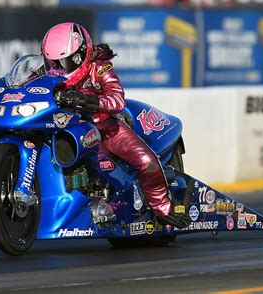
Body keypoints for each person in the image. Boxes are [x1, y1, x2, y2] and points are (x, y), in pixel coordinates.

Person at [41, 22, 191, 229]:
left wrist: (86, 101)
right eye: (52, 63)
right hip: (66, 128)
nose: (58, 68)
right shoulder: (46, 73)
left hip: (105, 128)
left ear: (80, 55)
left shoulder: (100, 67)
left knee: (147, 161)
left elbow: (117, 98)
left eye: (64, 62)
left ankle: (163, 208)